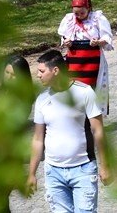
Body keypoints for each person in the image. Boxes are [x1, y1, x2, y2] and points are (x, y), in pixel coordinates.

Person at [28, 50, 110, 213]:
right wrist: (32, 173)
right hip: (53, 172)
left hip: (83, 169)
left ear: (55, 70)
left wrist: (105, 166)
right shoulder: (42, 99)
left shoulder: (84, 92)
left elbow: (98, 131)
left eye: (42, 71)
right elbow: (37, 139)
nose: (38, 75)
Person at [57, 0, 113, 115]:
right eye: (76, 13)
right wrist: (66, 42)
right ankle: (76, 115)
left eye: (82, 13)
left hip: (92, 61)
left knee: (90, 88)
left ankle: (91, 116)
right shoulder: (69, 19)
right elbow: (64, 37)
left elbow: (107, 38)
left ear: (88, 8)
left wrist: (98, 42)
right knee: (74, 87)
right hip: (74, 61)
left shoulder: (97, 18)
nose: (79, 16)